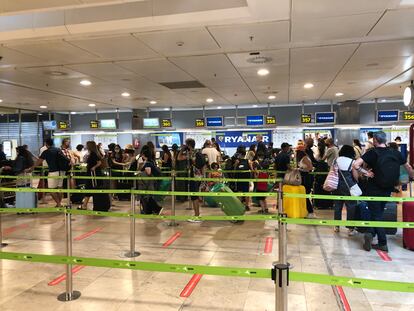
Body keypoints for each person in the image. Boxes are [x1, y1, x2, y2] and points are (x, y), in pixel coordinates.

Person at [353, 131, 414, 253]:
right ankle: (370, 232)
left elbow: (355, 164)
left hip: (374, 188)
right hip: (388, 188)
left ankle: (382, 243)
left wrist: (366, 173)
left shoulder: (372, 152)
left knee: (376, 215)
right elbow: (408, 167)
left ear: (375, 140)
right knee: (379, 212)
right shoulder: (395, 153)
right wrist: (411, 177)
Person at [333, 145, 360, 235]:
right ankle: (350, 229)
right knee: (351, 206)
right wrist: (357, 181)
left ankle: (336, 226)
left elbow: (332, 172)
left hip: (337, 185)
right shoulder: (352, 162)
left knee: (337, 206)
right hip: (349, 186)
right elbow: (355, 176)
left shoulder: (336, 160)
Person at [34, 139, 66, 207]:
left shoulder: (46, 151)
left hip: (53, 172)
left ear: (46, 144)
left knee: (51, 189)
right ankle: (59, 204)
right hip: (62, 171)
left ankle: (59, 204)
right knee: (59, 188)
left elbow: (39, 161)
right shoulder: (58, 149)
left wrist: (32, 168)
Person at [177, 138, 203, 222]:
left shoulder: (191, 154)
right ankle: (197, 214)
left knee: (194, 196)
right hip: (199, 176)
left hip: (193, 177)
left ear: (188, 145)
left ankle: (197, 216)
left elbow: (179, 158)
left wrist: (181, 150)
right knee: (195, 196)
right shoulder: (197, 152)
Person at [81, 141, 104, 210]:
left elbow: (99, 162)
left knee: (89, 188)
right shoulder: (92, 153)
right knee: (91, 189)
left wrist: (94, 167)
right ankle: (86, 204)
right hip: (92, 173)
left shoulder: (93, 154)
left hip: (93, 174)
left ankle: (84, 205)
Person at [297, 147, 316, 218]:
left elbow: (310, 168)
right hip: (305, 177)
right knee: (304, 195)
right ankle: (308, 212)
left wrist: (300, 169)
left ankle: (310, 212)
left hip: (306, 178)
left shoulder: (304, 158)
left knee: (305, 195)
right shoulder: (305, 158)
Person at [233, 145, 251, 211]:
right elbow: (251, 170)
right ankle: (246, 205)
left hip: (240, 179)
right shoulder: (248, 161)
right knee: (246, 192)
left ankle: (241, 205)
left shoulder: (240, 161)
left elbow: (234, 170)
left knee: (240, 192)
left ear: (240, 154)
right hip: (245, 179)